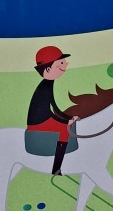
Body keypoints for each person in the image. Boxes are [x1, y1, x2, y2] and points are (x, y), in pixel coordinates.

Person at [26, 46, 78, 175]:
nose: (65, 65)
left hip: (43, 116)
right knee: (64, 130)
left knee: (68, 124)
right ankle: (56, 169)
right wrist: (65, 121)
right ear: (48, 69)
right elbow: (47, 111)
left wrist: (68, 117)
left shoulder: (48, 83)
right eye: (60, 64)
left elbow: (53, 106)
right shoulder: (45, 86)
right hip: (39, 120)